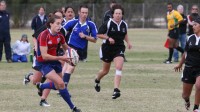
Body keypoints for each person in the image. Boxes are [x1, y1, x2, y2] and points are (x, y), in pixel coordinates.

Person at [35, 15, 81, 112]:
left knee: (58, 86)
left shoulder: (60, 35)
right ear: (51, 24)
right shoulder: (44, 35)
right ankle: (73, 108)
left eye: (61, 24)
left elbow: (66, 47)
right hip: (43, 63)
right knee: (60, 83)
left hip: (54, 61)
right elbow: (44, 56)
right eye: (57, 23)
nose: (60, 26)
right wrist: (62, 58)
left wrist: (73, 53)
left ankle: (41, 86)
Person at [23, 11, 64, 107]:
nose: (60, 20)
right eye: (58, 17)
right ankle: (29, 76)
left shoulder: (61, 29)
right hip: (41, 58)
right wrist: (37, 49)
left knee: (52, 78)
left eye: (61, 17)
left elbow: (63, 43)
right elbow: (34, 37)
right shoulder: (46, 29)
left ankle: (43, 99)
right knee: (36, 81)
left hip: (53, 59)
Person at [94, 4, 132, 99]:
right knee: (105, 71)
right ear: (113, 14)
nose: (118, 15)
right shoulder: (108, 23)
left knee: (119, 67)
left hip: (119, 48)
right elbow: (99, 34)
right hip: (107, 49)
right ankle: (97, 80)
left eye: (120, 13)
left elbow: (125, 34)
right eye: (116, 13)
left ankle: (116, 90)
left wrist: (128, 42)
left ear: (122, 14)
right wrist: (108, 38)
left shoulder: (124, 24)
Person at [62, 5, 97, 90]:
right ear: (79, 12)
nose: (84, 14)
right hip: (71, 47)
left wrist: (85, 36)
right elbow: (62, 32)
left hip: (81, 50)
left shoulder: (90, 24)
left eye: (86, 13)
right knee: (71, 67)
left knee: (66, 68)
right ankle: (63, 89)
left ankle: (55, 85)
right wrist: (61, 43)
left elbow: (95, 39)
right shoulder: (73, 22)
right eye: (83, 12)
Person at [174, 17, 200, 112]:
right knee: (185, 95)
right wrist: (180, 65)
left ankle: (196, 108)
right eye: (193, 25)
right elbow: (185, 53)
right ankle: (187, 101)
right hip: (188, 68)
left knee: (199, 86)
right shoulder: (190, 38)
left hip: (199, 68)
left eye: (195, 25)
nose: (193, 26)